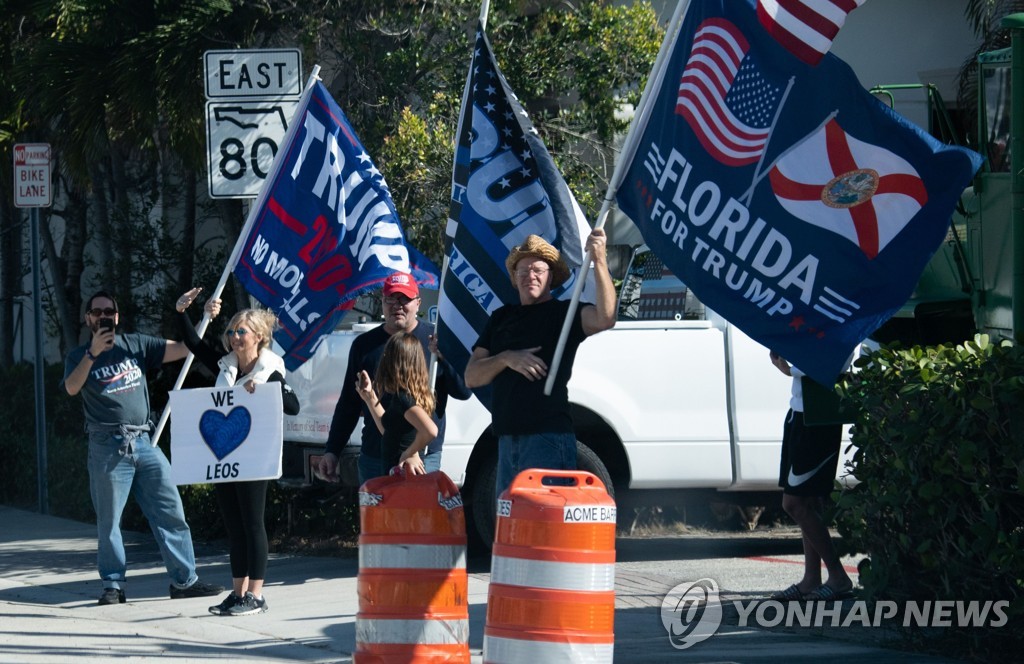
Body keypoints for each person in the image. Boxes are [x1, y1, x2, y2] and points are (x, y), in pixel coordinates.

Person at [62, 290, 225, 606]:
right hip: (107, 447)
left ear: (117, 316)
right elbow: (71, 387)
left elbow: (182, 349)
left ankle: (183, 580)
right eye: (97, 312)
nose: (103, 316)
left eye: (109, 311)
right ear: (88, 319)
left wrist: (202, 318)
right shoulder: (79, 355)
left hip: (143, 442)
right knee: (109, 522)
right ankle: (113, 585)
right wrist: (93, 354)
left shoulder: (135, 344)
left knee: (170, 511)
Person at [175, 287, 300, 617]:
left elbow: (293, 405)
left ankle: (256, 595)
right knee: (234, 526)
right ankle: (237, 592)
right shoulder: (226, 367)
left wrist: (264, 389)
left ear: (258, 336)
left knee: (252, 524)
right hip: (225, 457)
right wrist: (183, 313)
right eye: (231, 331)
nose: (233, 337)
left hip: (256, 459)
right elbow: (194, 344)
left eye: (240, 331)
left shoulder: (270, 369)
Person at [464, 230, 616, 497]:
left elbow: (605, 318)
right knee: (511, 527)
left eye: (537, 269)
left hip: (547, 437)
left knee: (546, 523)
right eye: (523, 270)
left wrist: (600, 260)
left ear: (550, 276)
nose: (529, 276)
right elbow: (472, 377)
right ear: (514, 278)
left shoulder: (564, 314)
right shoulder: (500, 318)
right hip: (506, 438)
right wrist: (507, 358)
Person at [317, 273, 470, 485]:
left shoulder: (436, 340)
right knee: (376, 519)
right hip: (375, 454)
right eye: (391, 299)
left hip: (423, 457)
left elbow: (463, 392)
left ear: (418, 303)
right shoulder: (364, 345)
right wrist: (332, 450)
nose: (397, 305)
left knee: (417, 518)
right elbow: (349, 404)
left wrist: (445, 358)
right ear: (382, 303)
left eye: (404, 299)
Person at [768, 351, 854, 602]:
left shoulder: (838, 315)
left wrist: (789, 369)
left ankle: (838, 577)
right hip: (800, 412)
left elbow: (835, 359)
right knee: (807, 502)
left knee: (794, 503)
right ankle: (811, 578)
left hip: (819, 416)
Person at [355, 332, 438, 475]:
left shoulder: (404, 398)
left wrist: (409, 453)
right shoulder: (405, 396)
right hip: (397, 475)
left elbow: (431, 431)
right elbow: (389, 432)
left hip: (403, 476)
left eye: (387, 355)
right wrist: (370, 397)